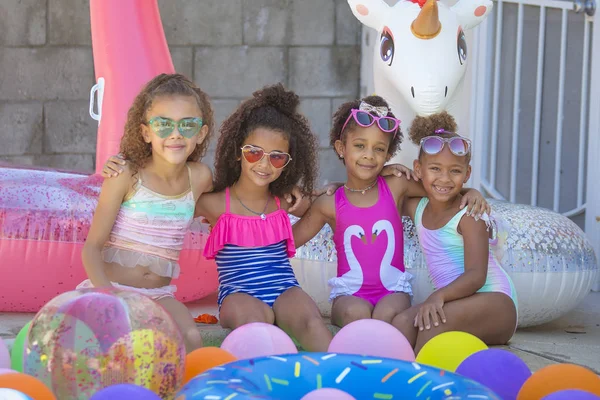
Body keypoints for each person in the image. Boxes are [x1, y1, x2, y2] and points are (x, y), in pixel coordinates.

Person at [292, 97, 490, 329]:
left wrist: (471, 191)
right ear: (341, 148)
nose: (369, 155)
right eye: (359, 146)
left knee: (388, 317)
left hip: (393, 290)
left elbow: (440, 188)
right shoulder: (329, 203)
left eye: (379, 149)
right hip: (350, 293)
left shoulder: (396, 185)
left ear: (388, 155)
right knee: (356, 315)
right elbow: (290, 239)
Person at [82, 73, 215, 352]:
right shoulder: (125, 174)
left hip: (159, 295)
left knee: (191, 341)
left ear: (201, 133)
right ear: (146, 133)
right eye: (163, 124)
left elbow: (230, 203)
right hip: (112, 291)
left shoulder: (200, 178)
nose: (175, 134)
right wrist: (111, 298)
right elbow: (91, 248)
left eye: (187, 125)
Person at [391, 111, 517, 353]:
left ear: (467, 174)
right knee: (402, 323)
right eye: (435, 168)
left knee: (431, 325)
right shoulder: (417, 208)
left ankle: (419, 385)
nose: (445, 179)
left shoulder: (469, 215)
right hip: (455, 301)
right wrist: (388, 168)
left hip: (496, 303)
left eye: (455, 172)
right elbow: (386, 187)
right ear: (418, 169)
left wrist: (438, 297)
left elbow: (476, 275)